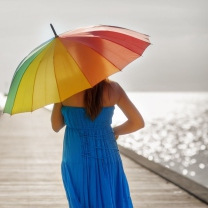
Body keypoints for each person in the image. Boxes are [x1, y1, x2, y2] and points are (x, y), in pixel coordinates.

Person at [51, 79, 144, 208]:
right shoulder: (114, 89)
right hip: (107, 154)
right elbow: (137, 122)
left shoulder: (65, 89)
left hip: (76, 157)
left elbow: (56, 126)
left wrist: (58, 99)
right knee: (110, 196)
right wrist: (111, 132)